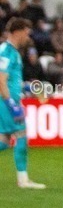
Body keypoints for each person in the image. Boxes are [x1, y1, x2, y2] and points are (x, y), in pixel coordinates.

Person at [0, 18, 45, 189]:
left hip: (8, 100)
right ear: (17, 31)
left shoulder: (13, 53)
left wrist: (27, 86)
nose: (28, 36)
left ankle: (23, 179)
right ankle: (23, 180)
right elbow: (1, 80)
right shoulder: (6, 51)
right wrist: (11, 104)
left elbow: (11, 80)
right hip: (6, 102)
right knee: (21, 135)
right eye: (26, 32)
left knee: (3, 142)